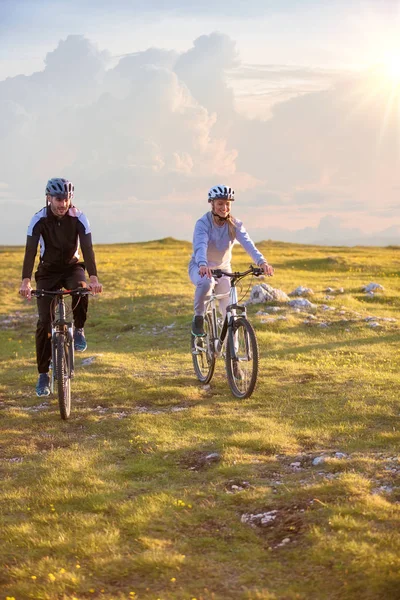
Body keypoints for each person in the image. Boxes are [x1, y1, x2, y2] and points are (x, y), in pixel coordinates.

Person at [19, 178, 103, 397]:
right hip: (47, 272)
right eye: (58, 199)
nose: (62, 204)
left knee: (81, 289)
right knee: (44, 323)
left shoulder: (79, 218)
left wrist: (93, 278)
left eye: (66, 199)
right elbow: (30, 252)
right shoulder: (38, 220)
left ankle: (79, 329)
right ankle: (43, 374)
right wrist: (26, 281)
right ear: (49, 198)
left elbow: (87, 248)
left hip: (72, 268)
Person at [189, 184, 274, 336]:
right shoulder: (203, 223)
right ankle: (199, 317)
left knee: (230, 313)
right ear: (212, 204)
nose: (224, 207)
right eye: (220, 203)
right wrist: (203, 264)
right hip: (201, 267)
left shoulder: (235, 224)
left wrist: (262, 262)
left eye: (227, 204)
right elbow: (200, 246)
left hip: (223, 269)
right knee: (206, 283)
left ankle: (233, 354)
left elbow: (249, 244)